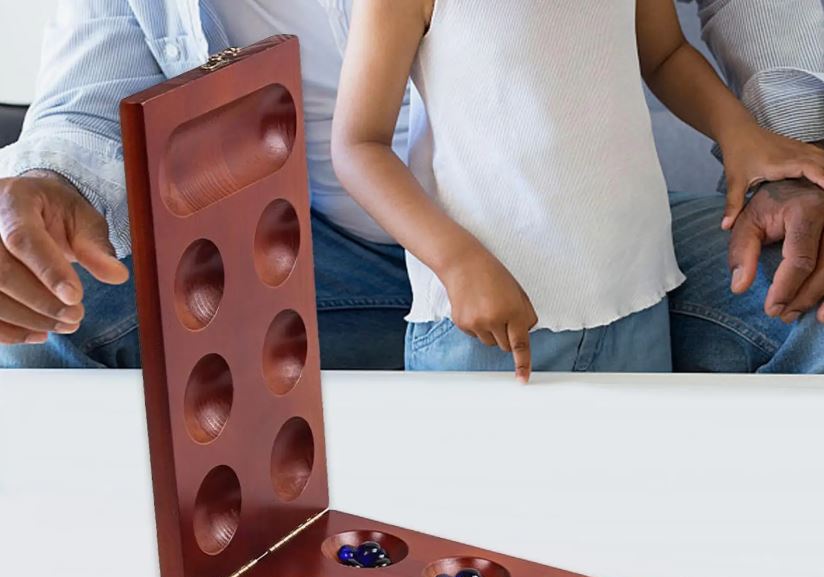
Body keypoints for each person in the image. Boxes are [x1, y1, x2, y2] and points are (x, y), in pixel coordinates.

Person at [0, 0, 822, 373]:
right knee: (46, 313)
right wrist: (48, 186)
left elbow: (666, 52)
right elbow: (358, 143)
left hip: (621, 246)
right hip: (321, 261)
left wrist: (773, 148)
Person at [332, 0, 824, 380]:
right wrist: (456, 261)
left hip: (635, 302)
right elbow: (358, 144)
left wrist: (738, 131)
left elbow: (665, 53)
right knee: (474, 509)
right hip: (485, 327)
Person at [0, 0, 412, 369]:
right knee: (46, 305)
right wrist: (48, 185)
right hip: (317, 244)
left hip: (462, 241)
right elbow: (90, 100)